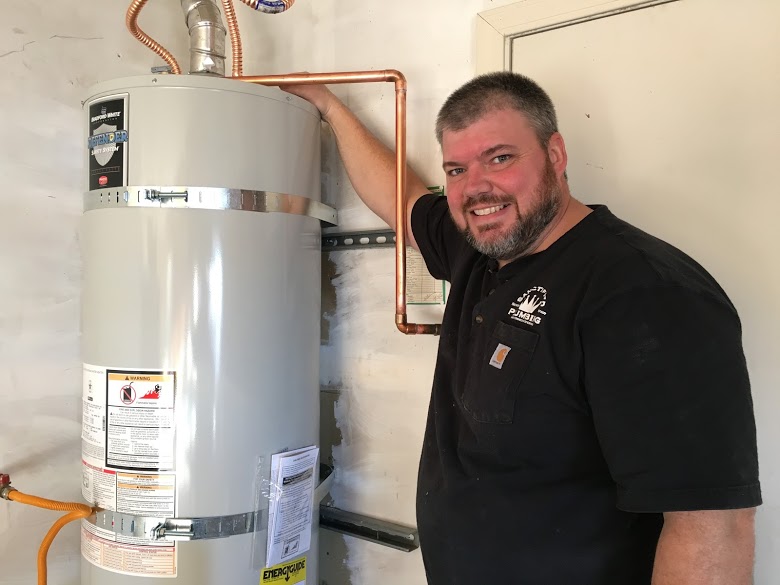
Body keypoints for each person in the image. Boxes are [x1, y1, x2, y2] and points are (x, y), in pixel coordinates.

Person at [284, 72, 762, 584]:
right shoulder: (481, 248)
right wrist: (327, 105)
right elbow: (401, 202)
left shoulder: (642, 294)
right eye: (456, 169)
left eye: (500, 158)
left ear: (555, 154)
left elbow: (712, 526)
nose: (475, 188)